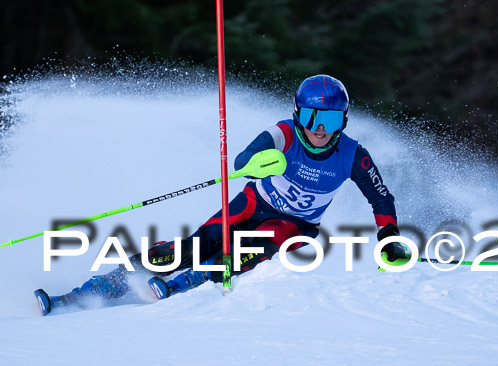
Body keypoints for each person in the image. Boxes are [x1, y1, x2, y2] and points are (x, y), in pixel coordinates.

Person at [34, 74, 408, 314]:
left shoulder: (352, 155)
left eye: (329, 121)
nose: (319, 130)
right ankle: (95, 289)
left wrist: (388, 239)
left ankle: (184, 284)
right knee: (197, 244)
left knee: (253, 245)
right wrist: (256, 163)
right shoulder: (284, 133)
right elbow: (244, 158)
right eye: (312, 118)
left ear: (343, 121)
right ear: (298, 114)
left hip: (294, 224)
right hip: (253, 201)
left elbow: (381, 198)